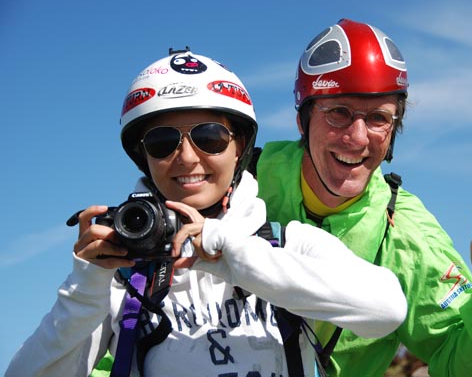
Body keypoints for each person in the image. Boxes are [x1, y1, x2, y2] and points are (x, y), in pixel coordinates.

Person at [6, 48, 407, 376]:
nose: (185, 157)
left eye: (209, 137)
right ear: (143, 157)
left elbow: (386, 309)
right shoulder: (121, 275)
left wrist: (224, 251)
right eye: (162, 142)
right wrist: (87, 284)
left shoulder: (289, 243)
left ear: (240, 148)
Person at [256, 19, 472, 377]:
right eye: (338, 113)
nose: (357, 138)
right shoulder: (242, 181)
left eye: (378, 118)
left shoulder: (408, 237)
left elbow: (464, 365)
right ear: (302, 120)